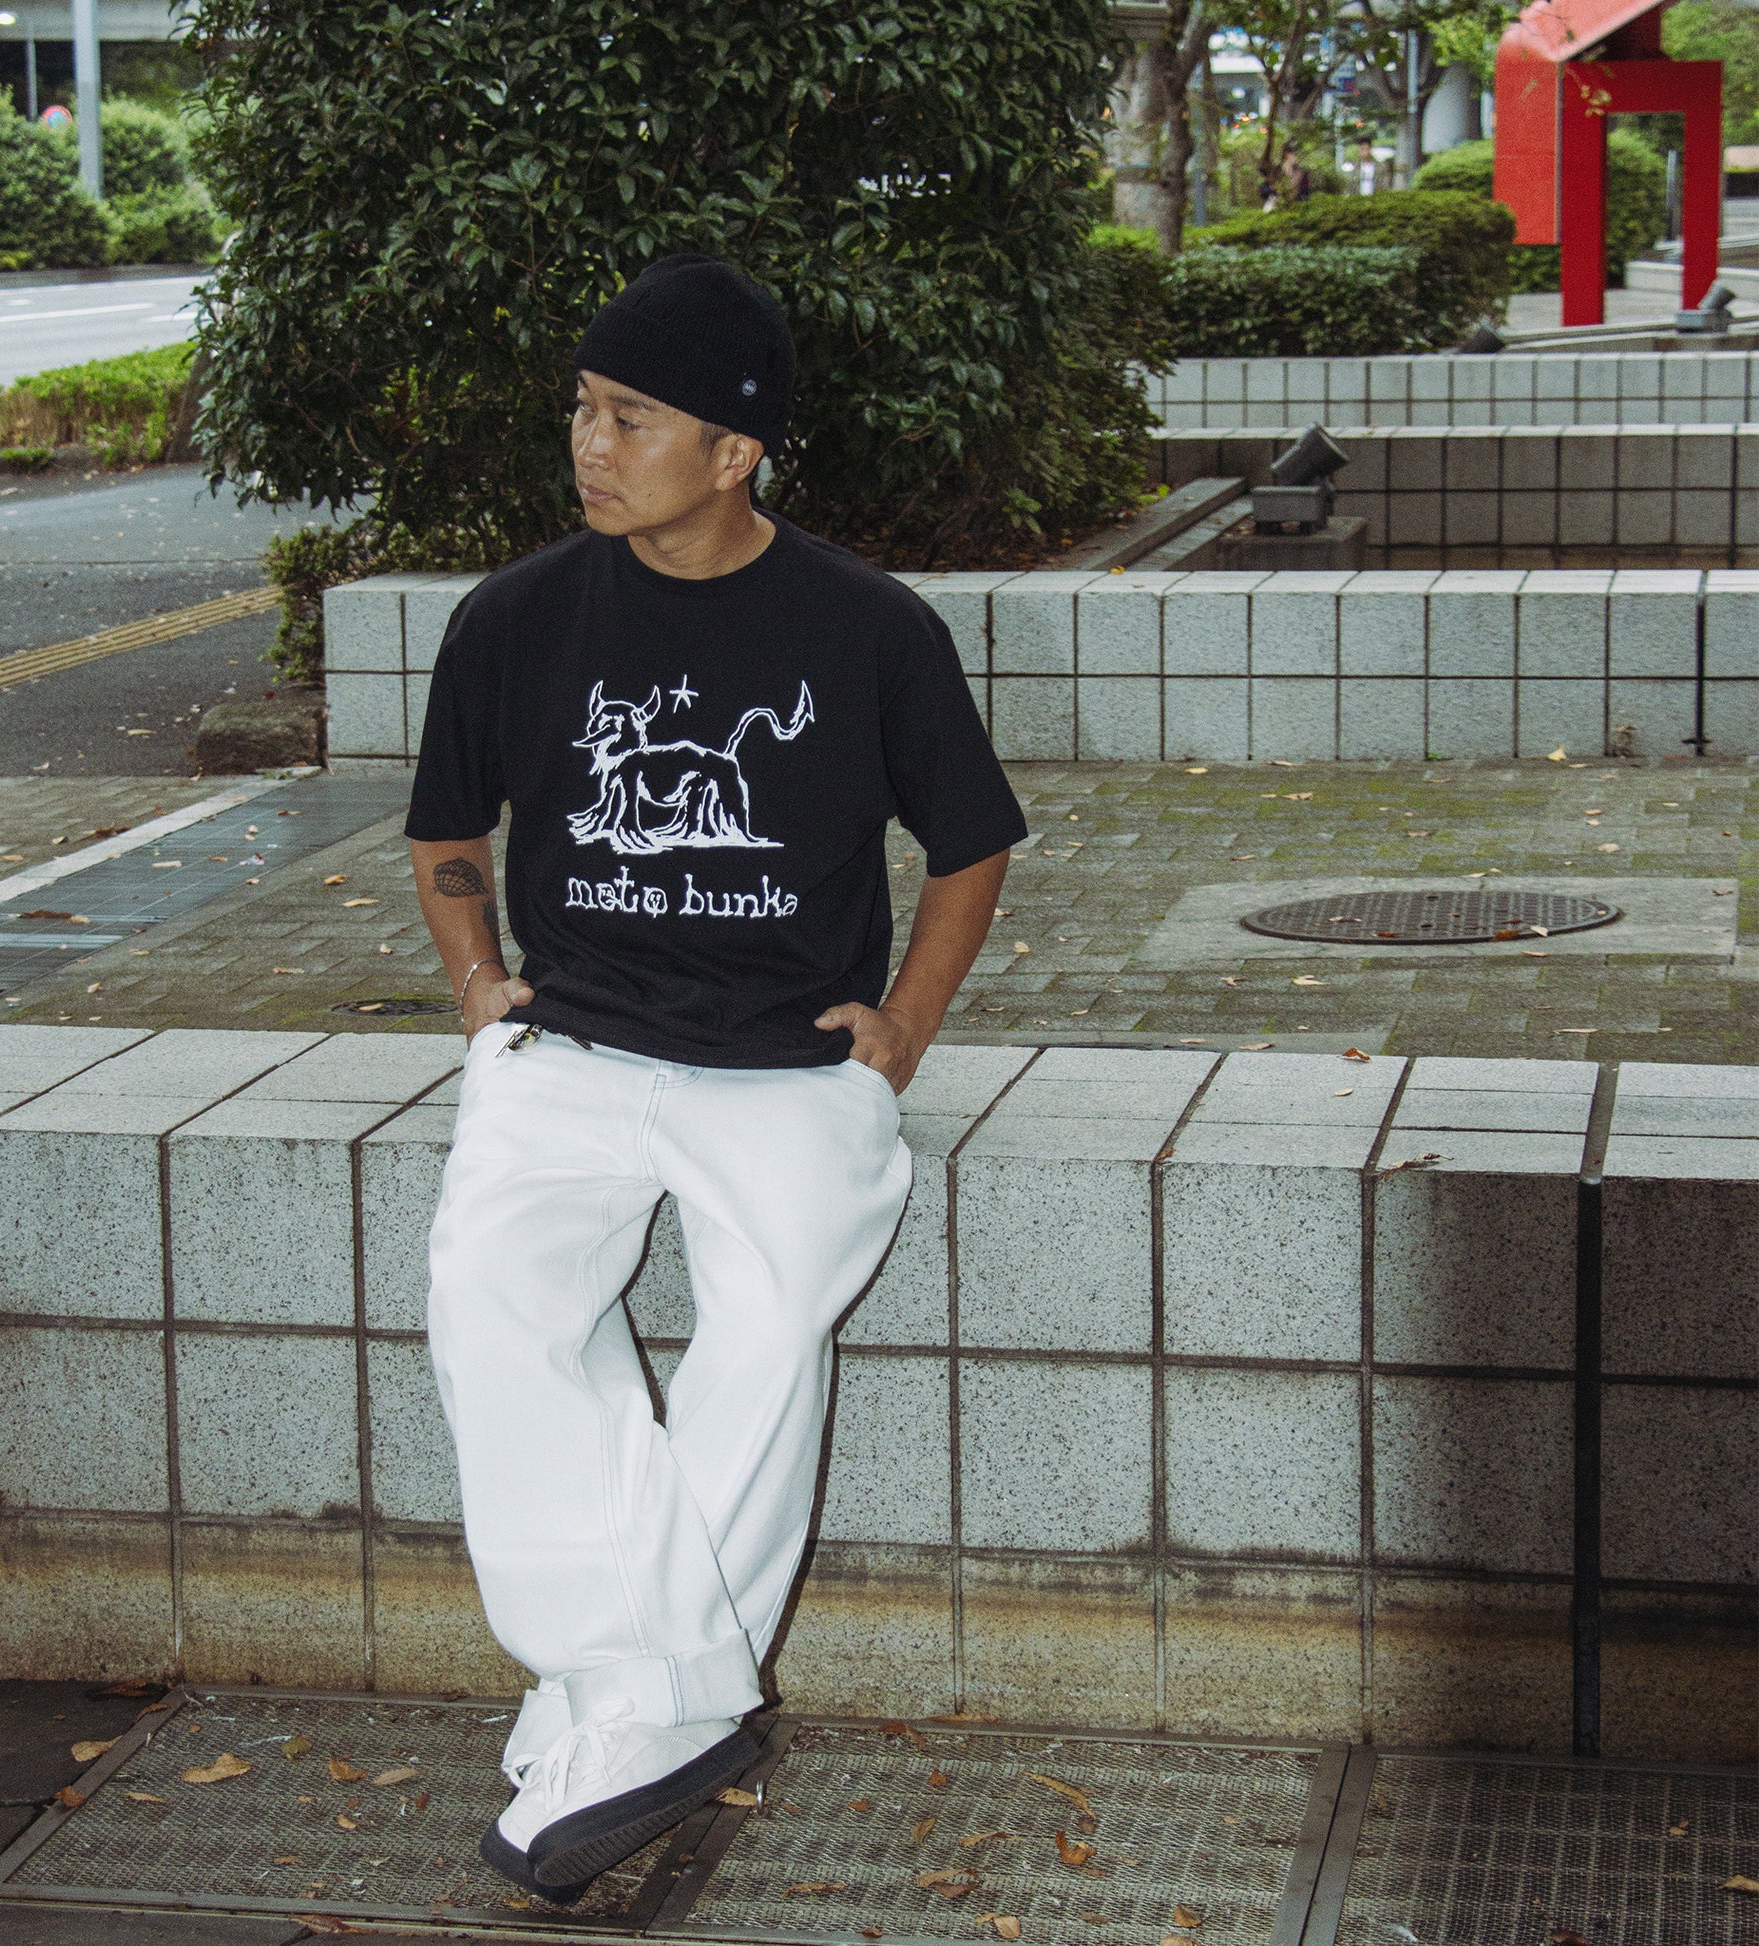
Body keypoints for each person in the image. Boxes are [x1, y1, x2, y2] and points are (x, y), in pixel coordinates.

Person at [405, 255, 1026, 1903]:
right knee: (492, 1295)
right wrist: (476, 984)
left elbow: (970, 844)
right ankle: (658, 1693)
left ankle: (612, 1707)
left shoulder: (867, 625)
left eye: (629, 417)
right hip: (570, 1044)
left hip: (787, 1064)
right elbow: (446, 829)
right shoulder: (516, 615)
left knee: (764, 1329)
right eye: (582, 410)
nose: (587, 443)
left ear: (735, 448)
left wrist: (904, 1027)